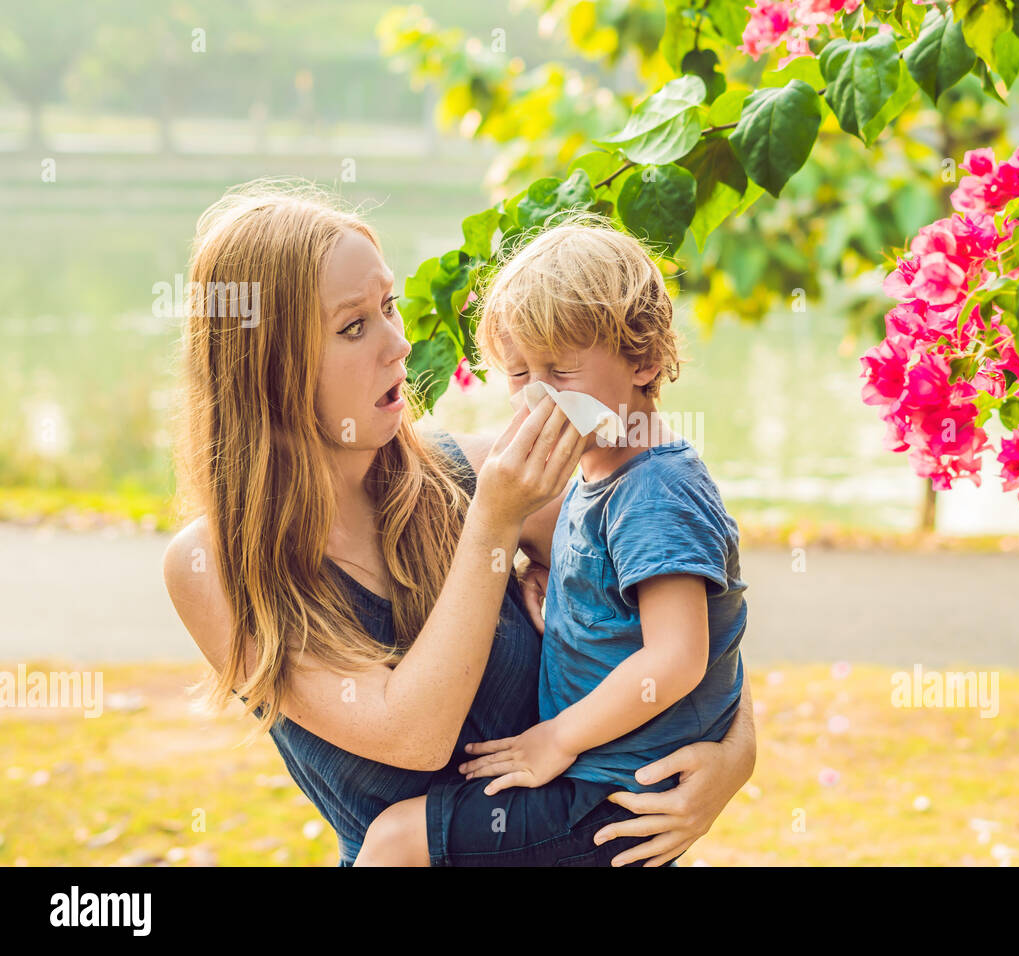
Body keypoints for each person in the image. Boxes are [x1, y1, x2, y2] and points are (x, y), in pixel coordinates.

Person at [161, 181, 756, 867]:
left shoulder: (471, 471)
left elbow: (688, 611)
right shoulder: (217, 568)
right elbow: (413, 737)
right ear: (270, 369)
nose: (400, 344)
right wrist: (494, 529)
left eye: (390, 307)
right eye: (355, 326)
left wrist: (735, 754)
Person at [355, 218, 747, 866]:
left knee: (395, 841)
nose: (538, 396)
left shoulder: (655, 491)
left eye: (560, 373)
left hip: (612, 793)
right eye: (519, 375)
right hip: (600, 777)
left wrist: (556, 740)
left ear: (643, 358)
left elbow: (678, 656)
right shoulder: (599, 474)